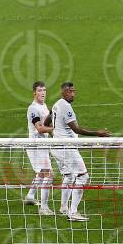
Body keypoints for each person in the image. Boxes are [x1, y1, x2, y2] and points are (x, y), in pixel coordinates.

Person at [49, 82, 111, 222]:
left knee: (69, 176)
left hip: (56, 146)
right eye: (70, 91)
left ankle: (64, 208)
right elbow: (77, 129)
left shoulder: (56, 104)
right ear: (63, 92)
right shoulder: (65, 106)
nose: (73, 94)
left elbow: (48, 121)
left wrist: (55, 133)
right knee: (83, 176)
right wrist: (98, 133)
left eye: (74, 91)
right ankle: (73, 212)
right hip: (66, 148)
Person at [24, 81, 55, 215]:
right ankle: (44, 208)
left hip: (42, 144)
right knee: (49, 174)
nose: (43, 93)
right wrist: (54, 130)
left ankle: (30, 196)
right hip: (36, 145)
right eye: (40, 90)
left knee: (42, 173)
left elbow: (46, 122)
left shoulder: (44, 106)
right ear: (34, 93)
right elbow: (39, 128)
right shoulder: (33, 109)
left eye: (44, 90)